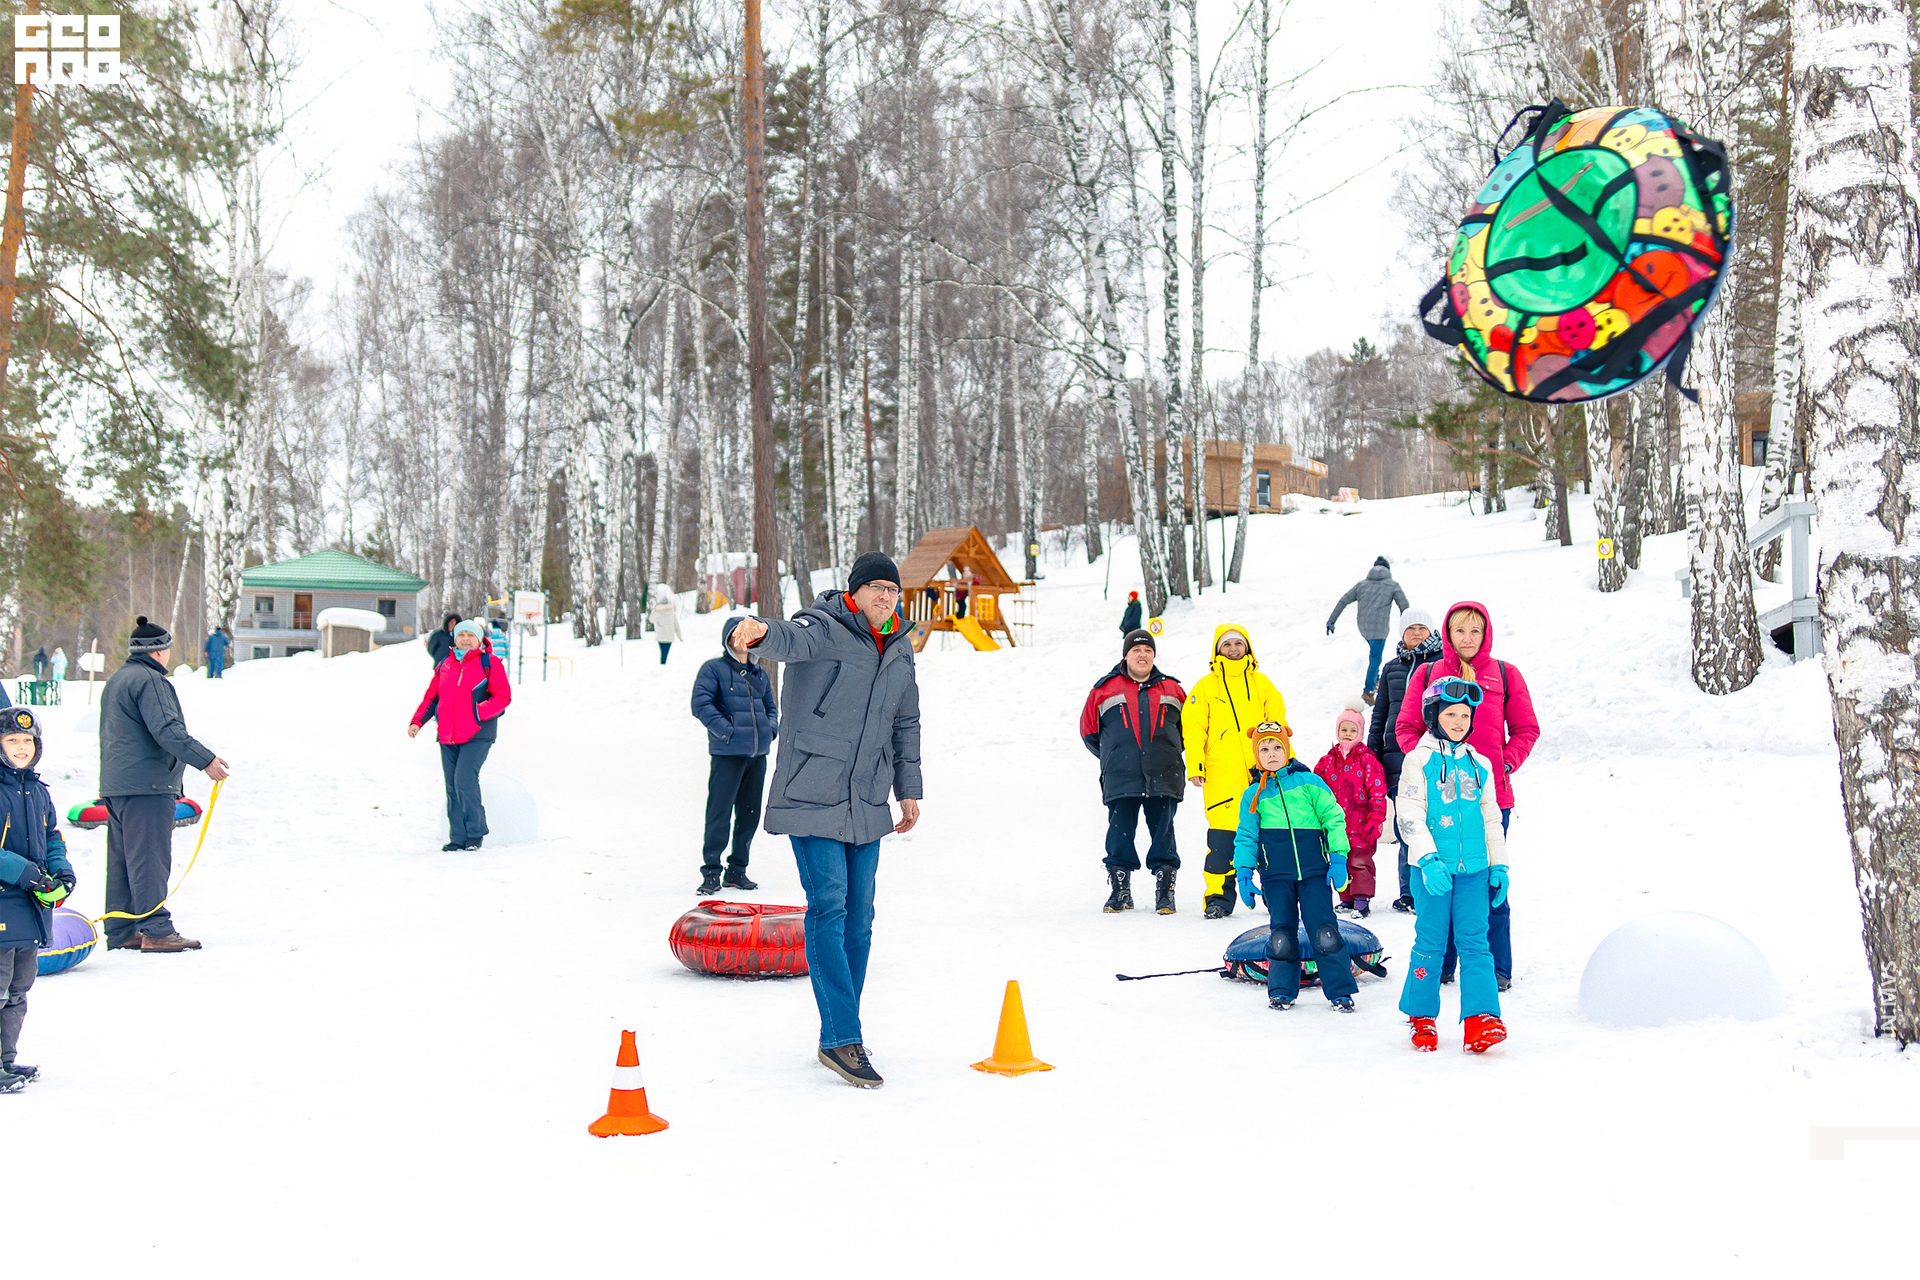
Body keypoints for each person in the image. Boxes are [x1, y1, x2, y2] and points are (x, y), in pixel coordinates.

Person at [728, 552, 922, 1090]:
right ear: (854, 592)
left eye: (893, 589)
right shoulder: (825, 627)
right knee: (830, 906)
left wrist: (908, 789)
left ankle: (840, 1030)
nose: (886, 596)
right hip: (812, 791)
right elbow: (789, 639)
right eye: (876, 587)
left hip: (867, 797)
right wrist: (756, 630)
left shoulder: (900, 646)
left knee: (860, 917)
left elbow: (906, 721)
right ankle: (841, 1037)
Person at [1393, 601, 1538, 989]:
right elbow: (1406, 727)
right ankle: (1441, 964)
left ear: (1485, 634)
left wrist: (1504, 765)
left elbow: (1526, 729)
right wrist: (1427, 765)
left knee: (1487, 883)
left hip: (1488, 801)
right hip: (1437, 803)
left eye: (1475, 631)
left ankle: (1496, 968)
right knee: (1441, 885)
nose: (1468, 638)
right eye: (1460, 631)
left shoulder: (1505, 674)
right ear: (1448, 634)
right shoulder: (1428, 673)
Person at [98, 617, 229, 952]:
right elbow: (167, 729)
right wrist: (206, 760)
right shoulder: (151, 680)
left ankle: (122, 929)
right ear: (158, 651)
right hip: (148, 786)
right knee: (149, 858)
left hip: (118, 785)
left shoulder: (118, 679)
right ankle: (155, 930)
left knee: (123, 860)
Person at [1397, 678, 1509, 1052]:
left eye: (1465, 715)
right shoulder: (1418, 760)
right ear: (1434, 716)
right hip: (1431, 870)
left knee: (1476, 943)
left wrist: (1499, 865)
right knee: (1430, 942)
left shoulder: (1481, 764)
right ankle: (1421, 1017)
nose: (1459, 722)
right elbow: (1408, 813)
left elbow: (1491, 818)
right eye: (1451, 715)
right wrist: (1427, 859)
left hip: (1474, 871)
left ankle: (1482, 1019)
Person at [1232, 721, 1358, 1012]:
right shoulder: (1253, 794)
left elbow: (1333, 818)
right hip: (1275, 875)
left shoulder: (1309, 782)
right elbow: (1247, 835)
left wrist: (1339, 857)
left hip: (1314, 872)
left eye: (1277, 747)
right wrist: (1244, 873)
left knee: (1325, 932)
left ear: (1287, 749)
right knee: (1281, 935)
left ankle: (1340, 992)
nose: (1271, 753)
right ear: (1256, 755)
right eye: (1264, 749)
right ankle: (1281, 992)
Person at [1181, 623, 1288, 918]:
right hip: (1222, 776)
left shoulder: (1262, 684)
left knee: (1269, 837)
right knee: (1222, 841)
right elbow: (1193, 729)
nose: (1232, 649)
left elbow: (1278, 725)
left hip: (1262, 774)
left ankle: (1276, 896)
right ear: (1218, 650)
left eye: (1238, 644)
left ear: (1247, 647)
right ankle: (1218, 898)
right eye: (1226, 645)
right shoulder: (1205, 687)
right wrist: (1196, 764)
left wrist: (1284, 762)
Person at [1080, 628, 1186, 914]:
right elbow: (1089, 732)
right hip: (1121, 777)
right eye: (1136, 650)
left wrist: (1168, 755)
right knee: (1119, 836)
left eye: (1148, 650)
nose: (1143, 655)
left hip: (1164, 775)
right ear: (1125, 655)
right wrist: (1114, 757)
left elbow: (1188, 732)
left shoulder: (1173, 689)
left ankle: (1165, 894)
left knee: (1164, 835)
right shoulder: (1103, 689)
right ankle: (1120, 892)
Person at [0, 708, 75, 1091]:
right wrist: (28, 874)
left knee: (18, 988)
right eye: (12, 740)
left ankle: (5, 1061)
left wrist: (61, 873)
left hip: (30, 906)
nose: (20, 747)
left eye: (27, 740)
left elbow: (51, 837)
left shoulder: (38, 791)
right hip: (6, 900)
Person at [690, 616, 778, 895]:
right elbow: (700, 704)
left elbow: (771, 707)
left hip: (757, 756)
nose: (742, 639)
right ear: (727, 639)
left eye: (747, 634)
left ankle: (737, 870)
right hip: (727, 754)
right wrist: (727, 732)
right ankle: (711, 872)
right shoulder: (713, 669)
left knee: (749, 815)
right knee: (719, 813)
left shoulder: (760, 673)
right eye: (737, 634)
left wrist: (770, 730)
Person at [409, 618, 512, 851]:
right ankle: (457, 837)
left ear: (479, 639)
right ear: (455, 639)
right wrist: (417, 721)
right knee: (452, 787)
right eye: (461, 635)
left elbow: (502, 697)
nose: (465, 639)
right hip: (447, 734)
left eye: (470, 635)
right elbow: (432, 697)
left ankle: (475, 834)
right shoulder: (445, 664)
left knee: (464, 781)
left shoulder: (490, 662)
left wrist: (477, 712)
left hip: (477, 733)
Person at [1367, 608, 1438, 912]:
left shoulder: (1442, 664)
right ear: (1402, 634)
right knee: (1405, 825)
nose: (1417, 633)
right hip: (1396, 758)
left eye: (1422, 628)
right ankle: (1409, 892)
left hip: (1432, 756)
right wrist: (1373, 754)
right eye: (1411, 629)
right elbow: (1380, 713)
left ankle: (1432, 887)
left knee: (1433, 823)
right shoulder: (1391, 668)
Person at [1314, 705, 1387, 917]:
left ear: (1360, 732)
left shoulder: (1367, 760)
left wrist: (1375, 818)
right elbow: (1317, 791)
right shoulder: (1327, 761)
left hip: (1361, 823)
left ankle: (1362, 899)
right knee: (1340, 860)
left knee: (1360, 861)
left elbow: (1377, 791)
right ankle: (1346, 898)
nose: (1348, 734)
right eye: (1344, 729)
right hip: (1336, 825)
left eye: (1353, 730)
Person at [1326, 555, 1411, 703]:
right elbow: (1404, 606)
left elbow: (1344, 600)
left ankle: (1375, 679)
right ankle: (1368, 691)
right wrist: (1409, 626)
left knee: (1374, 654)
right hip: (1379, 629)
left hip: (1363, 627)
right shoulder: (1392, 585)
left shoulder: (1362, 585)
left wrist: (1331, 620)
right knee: (1375, 658)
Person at [650, 590, 681, 664]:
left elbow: (651, 620)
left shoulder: (658, 613)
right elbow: (676, 626)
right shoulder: (672, 614)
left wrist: (655, 610)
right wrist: (679, 636)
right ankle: (663, 663)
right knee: (665, 652)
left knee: (662, 651)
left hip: (660, 637)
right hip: (669, 637)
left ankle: (663, 663)